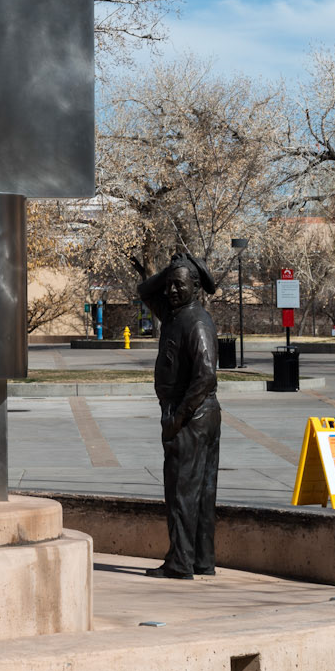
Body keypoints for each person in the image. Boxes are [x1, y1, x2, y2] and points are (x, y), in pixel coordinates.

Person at [137, 248, 221, 578]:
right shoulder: (174, 315)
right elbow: (145, 291)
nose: (170, 291)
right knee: (199, 490)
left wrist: (178, 417)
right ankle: (201, 559)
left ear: (195, 287)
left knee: (182, 492)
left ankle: (180, 561)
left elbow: (206, 376)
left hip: (192, 416)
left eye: (178, 285)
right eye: (169, 285)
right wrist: (171, 268)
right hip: (197, 415)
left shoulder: (196, 322)